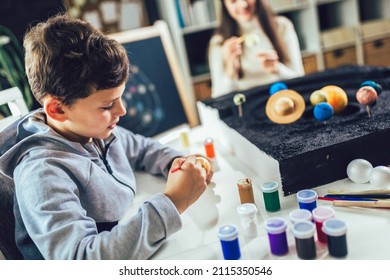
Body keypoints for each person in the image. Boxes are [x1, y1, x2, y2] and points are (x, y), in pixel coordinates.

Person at [0, 14, 212, 260]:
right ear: (57, 109)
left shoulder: (90, 129)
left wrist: (176, 163)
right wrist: (174, 201)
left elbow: (141, 148)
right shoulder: (42, 175)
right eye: (107, 105)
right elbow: (83, 260)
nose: (121, 111)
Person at [208, 0, 305, 98]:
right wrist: (231, 71)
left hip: (282, 100)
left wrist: (277, 69)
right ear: (225, 5)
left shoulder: (282, 26)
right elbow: (217, 97)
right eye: (233, 1)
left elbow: (300, 80)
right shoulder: (218, 42)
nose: (243, 4)